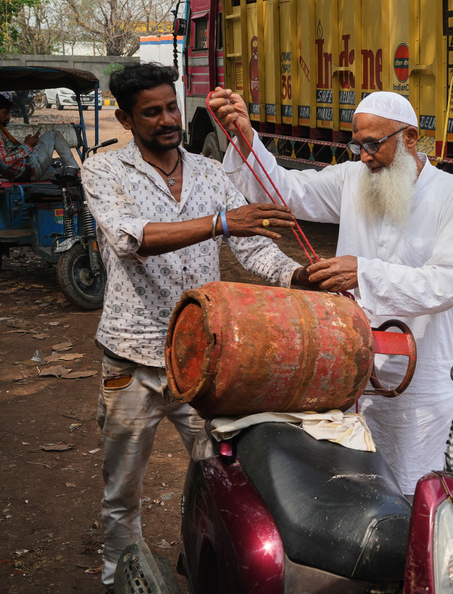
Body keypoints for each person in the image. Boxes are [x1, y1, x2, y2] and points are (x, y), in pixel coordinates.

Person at [81, 63, 311, 588]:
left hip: (202, 360)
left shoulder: (210, 175)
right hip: (131, 359)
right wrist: (219, 223)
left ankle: (214, 563)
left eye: (171, 106)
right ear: (125, 116)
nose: (167, 119)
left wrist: (298, 275)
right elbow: (129, 238)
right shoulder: (104, 171)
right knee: (123, 491)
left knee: (225, 478)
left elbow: (251, 246)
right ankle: (120, 580)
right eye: (152, 111)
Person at [209, 87, 453, 495]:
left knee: (424, 491)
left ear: (410, 138)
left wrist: (363, 272)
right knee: (367, 484)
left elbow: (446, 284)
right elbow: (283, 189)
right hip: (363, 367)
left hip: (429, 378)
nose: (365, 155)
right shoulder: (355, 177)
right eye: (358, 144)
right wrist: (247, 136)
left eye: (374, 144)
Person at [0, 94, 78, 181]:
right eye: (5, 113)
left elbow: (9, 154)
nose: (8, 117)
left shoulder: (2, 130)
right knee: (53, 134)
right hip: (27, 168)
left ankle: (73, 172)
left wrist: (25, 145)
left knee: (60, 166)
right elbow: (4, 162)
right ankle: (74, 169)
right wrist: (27, 145)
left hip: (25, 175)